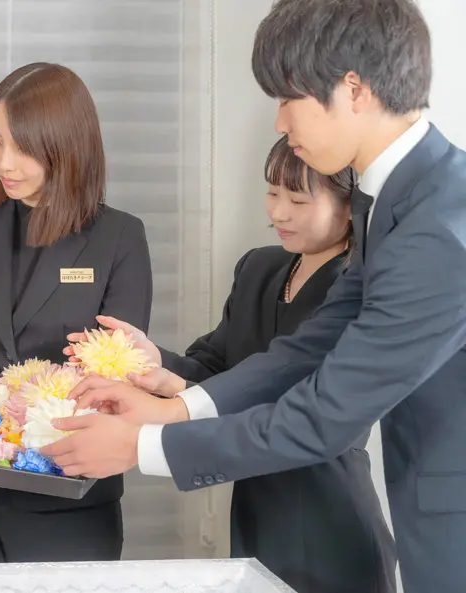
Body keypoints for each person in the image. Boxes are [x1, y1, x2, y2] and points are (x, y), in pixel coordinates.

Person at [42, 1, 466, 590]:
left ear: (354, 89)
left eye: (289, 98)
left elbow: (326, 415)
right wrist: (175, 408)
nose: (279, 123)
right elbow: (308, 347)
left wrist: (145, 446)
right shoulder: (395, 200)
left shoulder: (439, 226)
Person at [62, 137, 396, 593]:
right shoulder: (259, 267)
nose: (279, 212)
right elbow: (219, 367)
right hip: (255, 512)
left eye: (299, 200)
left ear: (351, 206)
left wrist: (154, 427)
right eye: (273, 192)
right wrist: (158, 365)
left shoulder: (357, 289)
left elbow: (292, 403)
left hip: (328, 516)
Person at [0, 62, 152, 563]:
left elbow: (119, 378)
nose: (5, 162)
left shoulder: (120, 238)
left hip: (68, 499)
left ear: (68, 147)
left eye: (24, 148)